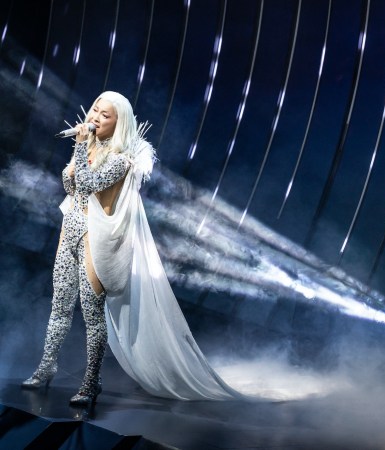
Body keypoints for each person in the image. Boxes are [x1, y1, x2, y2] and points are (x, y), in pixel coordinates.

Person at [22, 91, 242, 405]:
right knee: (59, 305)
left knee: (92, 314)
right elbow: (72, 187)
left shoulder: (122, 160)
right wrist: (77, 157)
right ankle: (47, 366)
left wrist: (80, 148)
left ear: (119, 122)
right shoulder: (90, 147)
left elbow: (90, 185)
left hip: (95, 238)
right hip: (69, 230)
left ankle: (91, 382)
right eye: (95, 110)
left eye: (105, 115)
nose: (95, 118)